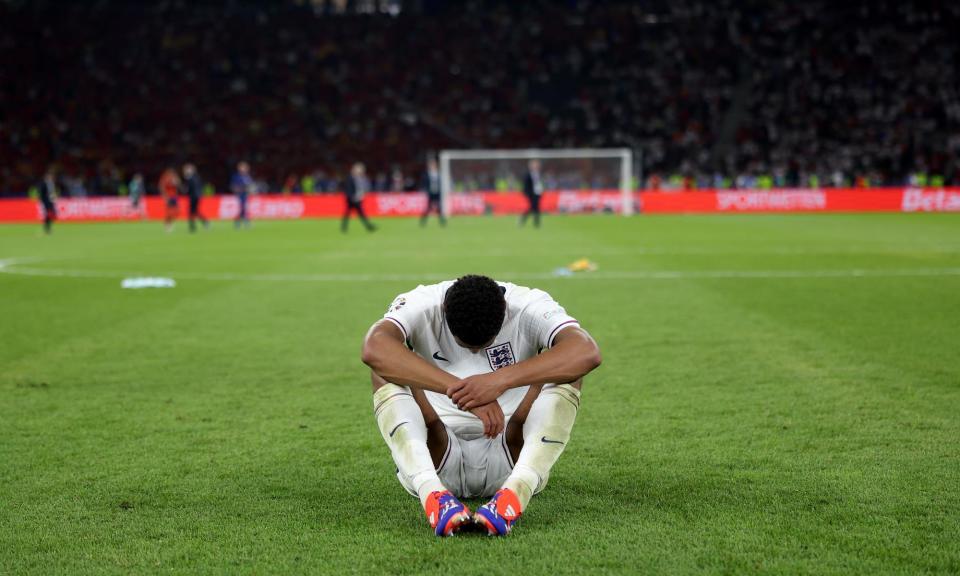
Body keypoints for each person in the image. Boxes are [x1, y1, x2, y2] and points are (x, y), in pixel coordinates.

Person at [362, 274, 601, 537]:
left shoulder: (529, 305)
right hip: (435, 452)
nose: (475, 353)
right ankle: (433, 492)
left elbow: (586, 351)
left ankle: (516, 490)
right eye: (463, 345)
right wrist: (463, 393)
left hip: (513, 449)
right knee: (383, 367)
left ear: (505, 314)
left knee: (569, 368)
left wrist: (498, 381)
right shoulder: (421, 303)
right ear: (443, 312)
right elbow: (374, 348)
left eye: (484, 344)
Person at [341, 162, 376, 233]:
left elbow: (361, 187)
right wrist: (352, 197)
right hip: (352, 199)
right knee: (352, 213)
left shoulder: (358, 178)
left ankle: (368, 226)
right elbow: (348, 189)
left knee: (356, 213)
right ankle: (368, 226)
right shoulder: (350, 178)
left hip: (357, 199)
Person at [182, 163, 209, 232]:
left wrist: (185, 191)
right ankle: (201, 223)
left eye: (187, 169)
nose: (186, 171)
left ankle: (195, 225)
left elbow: (189, 189)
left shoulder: (191, 178)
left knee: (192, 211)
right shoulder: (195, 177)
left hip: (194, 197)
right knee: (194, 211)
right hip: (196, 196)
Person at [419, 158, 445, 227]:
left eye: (434, 165)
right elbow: (424, 183)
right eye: (431, 165)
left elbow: (442, 183)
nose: (432, 166)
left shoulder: (439, 174)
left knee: (439, 207)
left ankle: (442, 222)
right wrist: (425, 190)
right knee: (428, 208)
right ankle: (423, 221)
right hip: (431, 193)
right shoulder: (426, 174)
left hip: (438, 193)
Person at [519, 159, 544, 228]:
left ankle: (536, 223)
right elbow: (526, 185)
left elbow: (539, 184)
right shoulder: (528, 174)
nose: (536, 166)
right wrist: (526, 193)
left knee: (536, 208)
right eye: (534, 165)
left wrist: (541, 191)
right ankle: (524, 219)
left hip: (538, 193)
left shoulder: (539, 174)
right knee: (533, 207)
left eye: (536, 165)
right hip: (531, 194)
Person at [230, 161, 255, 228]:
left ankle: (240, 221)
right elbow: (233, 186)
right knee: (242, 208)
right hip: (240, 194)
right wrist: (238, 189)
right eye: (242, 168)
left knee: (244, 208)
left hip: (246, 194)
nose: (243, 169)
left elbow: (250, 185)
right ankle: (244, 221)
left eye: (244, 168)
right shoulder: (236, 176)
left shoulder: (247, 176)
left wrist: (250, 190)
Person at [158, 167, 181, 232]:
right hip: (169, 196)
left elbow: (178, 184)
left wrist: (177, 181)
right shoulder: (165, 178)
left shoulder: (174, 177)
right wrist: (164, 196)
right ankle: (167, 225)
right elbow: (161, 186)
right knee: (169, 212)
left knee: (177, 211)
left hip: (175, 197)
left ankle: (170, 222)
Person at [37, 168, 58, 234]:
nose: (51, 177)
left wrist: (54, 199)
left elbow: (52, 192)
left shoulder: (52, 183)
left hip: (51, 201)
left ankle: (48, 227)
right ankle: (46, 228)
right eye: (50, 176)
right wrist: (42, 200)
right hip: (46, 202)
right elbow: (41, 193)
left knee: (51, 214)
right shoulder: (43, 184)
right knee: (48, 214)